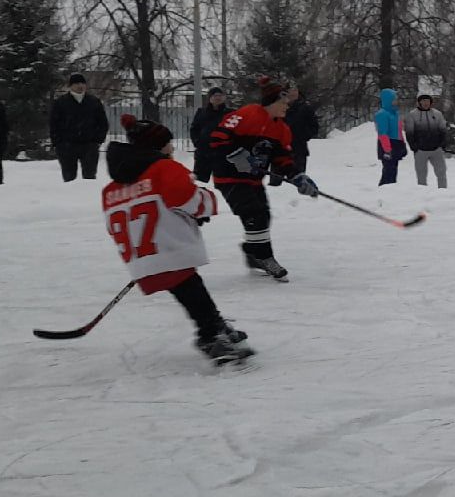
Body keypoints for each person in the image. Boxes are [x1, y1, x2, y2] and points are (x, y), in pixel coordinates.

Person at [105, 114, 253, 364]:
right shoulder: (164, 167)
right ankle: (210, 335)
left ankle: (216, 325)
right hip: (169, 249)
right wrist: (205, 204)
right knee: (191, 289)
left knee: (188, 289)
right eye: (168, 144)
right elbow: (188, 199)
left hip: (142, 255)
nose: (172, 148)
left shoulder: (112, 188)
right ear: (157, 147)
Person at [209, 77, 319, 282]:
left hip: (253, 180)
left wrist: (298, 177)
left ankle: (252, 252)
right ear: (273, 102)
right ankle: (265, 257)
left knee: (264, 216)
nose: (287, 105)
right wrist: (237, 155)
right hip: (229, 178)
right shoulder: (247, 114)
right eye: (283, 101)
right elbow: (218, 137)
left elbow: (282, 159)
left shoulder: (281, 129)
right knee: (254, 214)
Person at [50, 73, 109, 182]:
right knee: (69, 178)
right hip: (67, 146)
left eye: (82, 83)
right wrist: (58, 143)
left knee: (89, 177)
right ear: (71, 86)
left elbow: (102, 123)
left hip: (89, 145)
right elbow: (54, 124)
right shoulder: (61, 102)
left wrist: (97, 140)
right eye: (77, 83)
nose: (80, 86)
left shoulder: (93, 102)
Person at [404, 94, 449, 188]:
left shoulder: (437, 114)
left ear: (431, 102)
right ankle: (423, 195)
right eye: (423, 101)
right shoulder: (412, 115)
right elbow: (409, 133)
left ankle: (443, 192)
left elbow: (443, 130)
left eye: (427, 101)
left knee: (442, 173)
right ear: (419, 102)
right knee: (421, 175)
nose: (425, 103)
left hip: (436, 150)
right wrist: (414, 147)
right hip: (420, 151)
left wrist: (442, 144)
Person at [188, 87, 230, 183]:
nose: (218, 98)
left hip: (222, 153)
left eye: (220, 95)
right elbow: (194, 129)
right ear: (210, 98)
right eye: (215, 95)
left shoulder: (230, 113)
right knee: (199, 181)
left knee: (224, 181)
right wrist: (197, 142)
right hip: (204, 152)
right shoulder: (202, 112)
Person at [283, 87, 320, 175]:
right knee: (277, 181)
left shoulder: (305, 108)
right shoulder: (278, 106)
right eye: (291, 90)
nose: (293, 93)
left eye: (295, 90)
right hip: (281, 148)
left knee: (299, 176)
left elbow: (314, 127)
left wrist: (303, 136)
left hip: (299, 148)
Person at [375, 88, 406, 186]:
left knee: (393, 172)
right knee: (388, 172)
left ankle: (391, 192)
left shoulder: (395, 114)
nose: (396, 101)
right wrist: (387, 150)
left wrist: (402, 145)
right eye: (394, 99)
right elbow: (383, 133)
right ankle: (383, 192)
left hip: (396, 144)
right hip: (387, 145)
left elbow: (398, 132)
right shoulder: (382, 114)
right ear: (388, 100)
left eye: (396, 99)